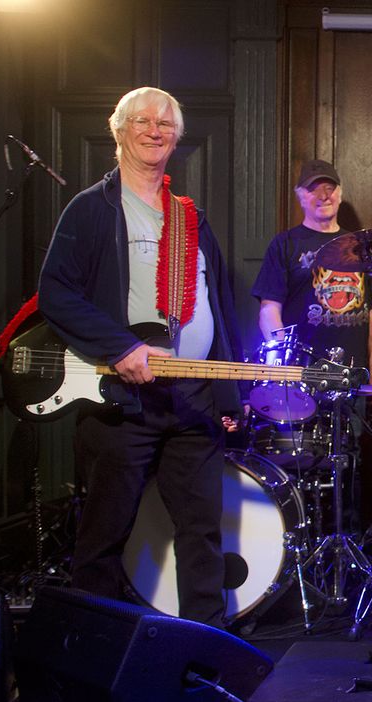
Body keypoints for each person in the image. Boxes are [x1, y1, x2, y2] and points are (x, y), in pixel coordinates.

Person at [38, 87, 243, 626]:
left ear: (177, 137)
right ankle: (93, 656)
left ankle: (204, 659)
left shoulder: (190, 216)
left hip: (193, 399)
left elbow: (217, 304)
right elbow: (56, 293)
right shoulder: (90, 209)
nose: (155, 131)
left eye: (166, 124)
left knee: (202, 534)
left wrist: (226, 395)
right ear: (120, 131)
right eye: (143, 122)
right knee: (103, 535)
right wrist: (119, 347)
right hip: (122, 399)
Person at [250, 160, 372, 529]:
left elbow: (371, 311)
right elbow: (269, 311)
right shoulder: (286, 244)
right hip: (305, 377)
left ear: (340, 194)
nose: (324, 194)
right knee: (304, 467)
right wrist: (284, 366)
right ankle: (305, 548)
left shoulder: (359, 247)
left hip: (353, 379)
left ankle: (349, 549)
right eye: (314, 188)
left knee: (353, 464)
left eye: (330, 187)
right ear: (301, 197)